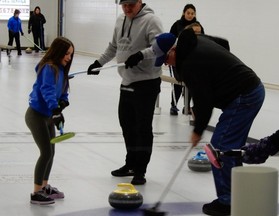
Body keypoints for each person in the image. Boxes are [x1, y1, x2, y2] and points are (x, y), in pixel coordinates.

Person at [174, 28, 265, 215]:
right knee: (230, 149)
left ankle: (228, 203)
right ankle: (237, 196)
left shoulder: (191, 63)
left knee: (220, 147)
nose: (168, 64)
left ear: (173, 50)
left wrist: (197, 131)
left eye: (166, 59)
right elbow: (224, 44)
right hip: (251, 88)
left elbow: (204, 101)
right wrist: (222, 68)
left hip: (244, 95)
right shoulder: (197, 39)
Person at [87, 0, 174, 185]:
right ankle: (131, 164)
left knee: (142, 128)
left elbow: (159, 48)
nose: (127, 8)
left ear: (140, 2)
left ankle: (140, 170)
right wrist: (99, 63)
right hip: (126, 80)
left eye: (131, 5)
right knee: (127, 125)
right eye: (124, 5)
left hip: (146, 82)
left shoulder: (152, 20)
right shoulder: (120, 20)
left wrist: (141, 55)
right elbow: (113, 46)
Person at [25, 36, 74, 205]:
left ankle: (45, 187)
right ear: (58, 51)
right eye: (66, 53)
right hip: (36, 115)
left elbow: (62, 90)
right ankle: (36, 193)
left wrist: (63, 102)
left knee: (51, 153)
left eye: (70, 54)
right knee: (45, 152)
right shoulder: (48, 68)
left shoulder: (61, 70)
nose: (68, 57)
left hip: (48, 116)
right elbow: (47, 90)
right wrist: (54, 109)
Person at [169, 4, 204, 116]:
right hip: (178, 59)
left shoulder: (198, 27)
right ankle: (173, 105)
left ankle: (187, 107)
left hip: (193, 60)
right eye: (188, 13)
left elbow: (203, 41)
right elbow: (170, 40)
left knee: (190, 84)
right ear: (184, 13)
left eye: (192, 13)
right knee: (178, 83)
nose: (190, 15)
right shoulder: (177, 25)